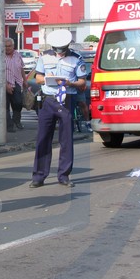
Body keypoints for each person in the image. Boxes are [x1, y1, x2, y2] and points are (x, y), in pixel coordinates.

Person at [29, 29, 87, 189]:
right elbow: (38, 77)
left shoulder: (77, 59)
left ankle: (64, 176)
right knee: (42, 139)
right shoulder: (45, 56)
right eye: (56, 50)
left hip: (66, 100)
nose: (59, 53)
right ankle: (38, 176)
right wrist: (48, 80)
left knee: (66, 140)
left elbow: (83, 82)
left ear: (67, 46)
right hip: (48, 100)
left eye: (61, 50)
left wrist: (69, 83)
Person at [4, 38, 27, 131]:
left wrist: (25, 80)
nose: (7, 48)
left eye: (9, 46)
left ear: (13, 46)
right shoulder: (0, 56)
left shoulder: (18, 55)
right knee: (5, 106)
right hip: (5, 84)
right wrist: (5, 85)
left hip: (17, 82)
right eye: (5, 46)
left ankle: (16, 120)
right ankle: (9, 126)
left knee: (18, 103)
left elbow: (21, 68)